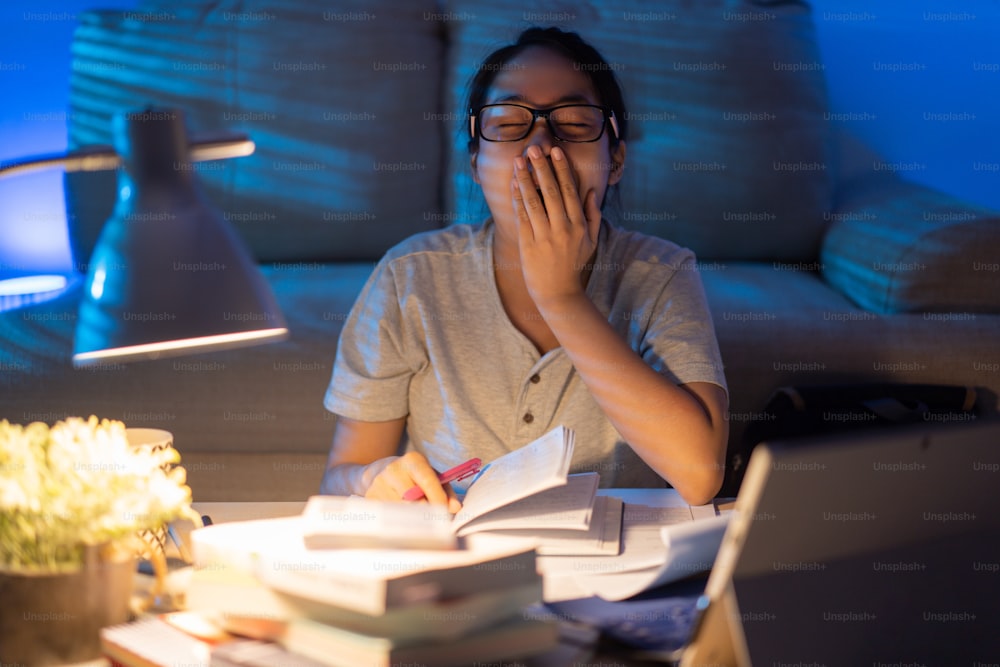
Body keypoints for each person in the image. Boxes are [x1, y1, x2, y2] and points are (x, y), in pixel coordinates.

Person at [320, 27, 728, 508]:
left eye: (575, 124)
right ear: (475, 161)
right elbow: (339, 478)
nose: (540, 145)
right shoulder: (410, 276)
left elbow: (701, 475)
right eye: (510, 122)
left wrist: (561, 298)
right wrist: (374, 479)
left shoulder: (661, 273)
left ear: (615, 160)